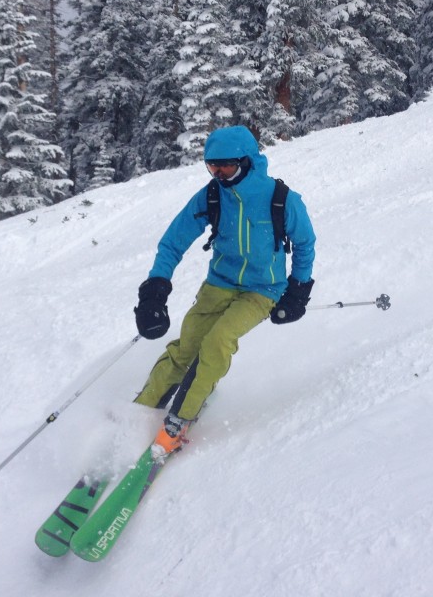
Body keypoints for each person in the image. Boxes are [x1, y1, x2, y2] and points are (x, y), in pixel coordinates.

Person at [132, 125, 316, 456]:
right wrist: (155, 289)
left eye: (225, 166)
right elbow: (174, 241)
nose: (218, 173)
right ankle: (142, 409)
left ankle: (180, 419)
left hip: (263, 290)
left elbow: (305, 244)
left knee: (217, 342)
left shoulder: (281, 199)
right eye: (211, 166)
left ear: (246, 162)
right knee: (187, 345)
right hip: (219, 284)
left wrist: (298, 290)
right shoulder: (213, 195)